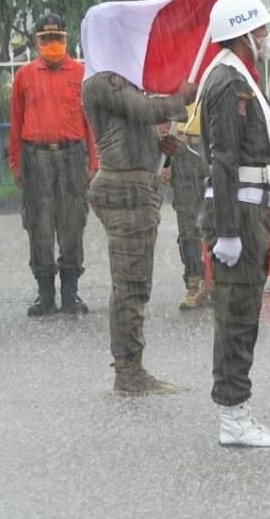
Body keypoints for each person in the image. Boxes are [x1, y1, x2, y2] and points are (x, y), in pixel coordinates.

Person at [197, 0, 270, 447]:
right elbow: (222, 162)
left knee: (243, 314)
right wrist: (229, 232)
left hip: (252, 211)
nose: (265, 38)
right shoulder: (228, 82)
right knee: (236, 317)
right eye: (259, 30)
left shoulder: (237, 76)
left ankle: (236, 413)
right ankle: (233, 420)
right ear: (242, 35)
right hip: (240, 214)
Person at [83, 53, 196, 395]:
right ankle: (129, 373)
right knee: (131, 285)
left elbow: (134, 125)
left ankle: (131, 367)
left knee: (133, 284)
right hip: (124, 192)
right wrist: (182, 99)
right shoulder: (104, 79)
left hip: (134, 189)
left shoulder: (116, 80)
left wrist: (156, 146)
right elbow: (144, 111)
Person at [9, 13, 98, 317]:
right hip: (36, 158)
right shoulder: (24, 76)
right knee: (39, 225)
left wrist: (92, 161)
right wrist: (16, 164)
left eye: (57, 39)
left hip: (72, 156)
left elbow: (90, 123)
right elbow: (16, 122)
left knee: (72, 223)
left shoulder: (81, 73)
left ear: (66, 40)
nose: (52, 44)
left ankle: (71, 294)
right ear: (36, 43)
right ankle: (45, 294)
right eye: (46, 40)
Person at [167, 105, 211, 310]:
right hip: (183, 148)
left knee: (220, 223)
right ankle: (194, 282)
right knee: (188, 227)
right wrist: (164, 161)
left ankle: (219, 282)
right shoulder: (175, 75)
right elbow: (160, 111)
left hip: (215, 146)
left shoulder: (220, 75)